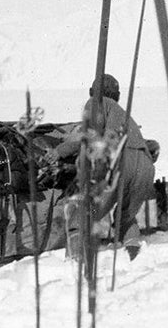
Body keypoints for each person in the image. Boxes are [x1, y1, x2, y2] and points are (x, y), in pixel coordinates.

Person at [56, 74, 155, 251]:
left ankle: (76, 258)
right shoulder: (123, 114)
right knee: (125, 216)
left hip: (120, 162)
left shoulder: (96, 103)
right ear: (118, 95)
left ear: (92, 92)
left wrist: (59, 151)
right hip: (145, 165)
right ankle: (134, 252)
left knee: (84, 214)